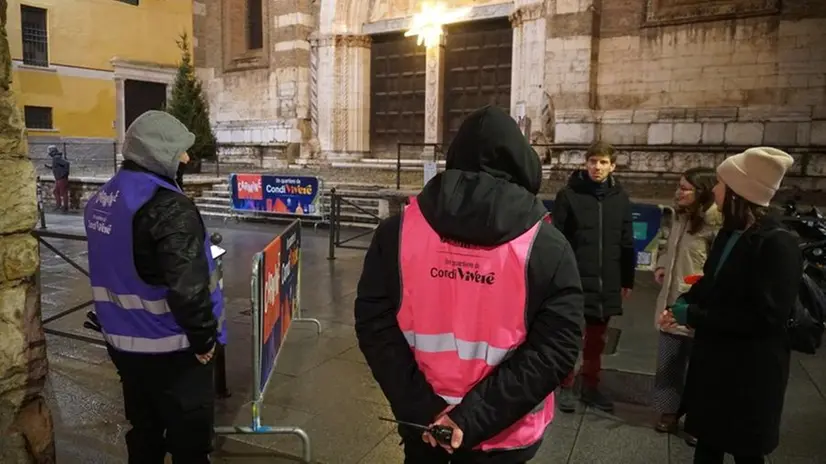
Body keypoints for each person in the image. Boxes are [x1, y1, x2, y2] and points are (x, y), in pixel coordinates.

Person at [355, 106, 584, 464]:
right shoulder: (547, 245)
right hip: (505, 433)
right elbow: (556, 348)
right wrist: (470, 418)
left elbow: (374, 324)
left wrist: (426, 409)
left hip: (423, 426)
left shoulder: (397, 232)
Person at [84, 110, 225, 464]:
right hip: (172, 348)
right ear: (159, 154)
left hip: (122, 342)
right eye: (180, 150)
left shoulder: (103, 199)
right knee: (190, 444)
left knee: (144, 432)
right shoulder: (169, 208)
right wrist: (204, 339)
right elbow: (188, 287)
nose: (187, 158)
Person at [660, 147, 799, 464]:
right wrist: (685, 301)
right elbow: (711, 281)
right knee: (707, 444)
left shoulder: (778, 243)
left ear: (740, 192)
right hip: (715, 363)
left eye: (722, 184)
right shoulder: (731, 232)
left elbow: (766, 318)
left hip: (750, 373)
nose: (716, 190)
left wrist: (694, 315)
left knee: (745, 451)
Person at [551, 141, 635, 413]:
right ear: (585, 164)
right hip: (574, 279)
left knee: (597, 341)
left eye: (602, 162)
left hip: (606, 279)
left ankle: (590, 387)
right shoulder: (569, 195)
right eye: (592, 161)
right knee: (569, 336)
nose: (596, 167)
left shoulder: (620, 198)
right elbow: (558, 240)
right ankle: (565, 385)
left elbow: (626, 241)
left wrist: (627, 279)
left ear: (612, 166)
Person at [651, 167, 720, 443]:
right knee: (669, 361)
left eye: (686, 188)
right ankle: (668, 412)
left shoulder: (715, 222)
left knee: (699, 368)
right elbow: (668, 245)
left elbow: (715, 266)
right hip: (670, 300)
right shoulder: (678, 215)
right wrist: (661, 265)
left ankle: (697, 419)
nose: (679, 192)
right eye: (679, 186)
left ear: (701, 192)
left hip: (697, 304)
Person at [45, 145, 70, 212]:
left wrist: (64, 174)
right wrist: (49, 167)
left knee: (63, 192)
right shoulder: (56, 158)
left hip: (61, 178)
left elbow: (66, 164)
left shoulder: (56, 158)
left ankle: (65, 207)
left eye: (49, 151)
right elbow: (57, 167)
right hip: (59, 178)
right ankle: (59, 205)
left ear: (52, 151)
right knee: (56, 192)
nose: (49, 153)